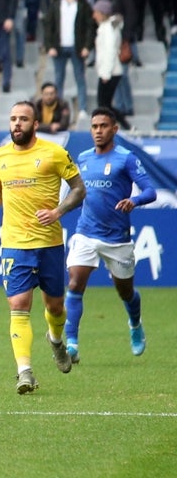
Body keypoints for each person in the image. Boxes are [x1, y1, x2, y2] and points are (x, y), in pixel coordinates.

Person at [0, 101, 86, 394]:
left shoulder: (53, 153)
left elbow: (79, 189)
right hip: (14, 244)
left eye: (23, 119)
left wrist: (57, 212)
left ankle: (55, 339)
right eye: (13, 118)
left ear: (35, 124)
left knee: (54, 307)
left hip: (49, 243)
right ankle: (24, 372)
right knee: (18, 305)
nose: (17, 124)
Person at [62, 108, 157, 362]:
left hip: (117, 238)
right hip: (86, 232)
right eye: (94, 126)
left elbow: (150, 191)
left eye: (104, 126)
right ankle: (71, 344)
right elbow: (75, 191)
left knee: (125, 291)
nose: (98, 131)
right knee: (74, 283)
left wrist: (134, 200)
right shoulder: (82, 158)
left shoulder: (126, 158)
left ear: (114, 129)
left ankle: (135, 324)